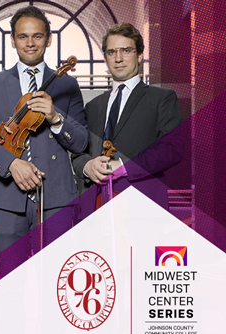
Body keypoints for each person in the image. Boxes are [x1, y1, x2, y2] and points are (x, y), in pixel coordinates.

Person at [0, 6, 87, 256]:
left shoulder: (67, 84)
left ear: (48, 38)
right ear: (12, 40)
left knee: (56, 281)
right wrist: (11, 163)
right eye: (22, 36)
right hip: (6, 199)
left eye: (37, 36)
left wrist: (55, 117)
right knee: (11, 285)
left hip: (55, 197)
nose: (30, 43)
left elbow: (81, 141)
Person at [71, 23, 184, 210]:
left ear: (139, 55)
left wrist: (124, 166)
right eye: (111, 52)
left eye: (126, 50)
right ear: (106, 59)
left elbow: (172, 149)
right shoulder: (93, 106)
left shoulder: (162, 98)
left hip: (142, 208)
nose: (118, 58)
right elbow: (78, 151)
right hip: (94, 207)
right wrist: (86, 166)